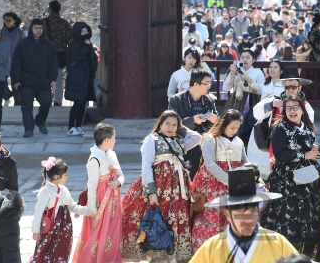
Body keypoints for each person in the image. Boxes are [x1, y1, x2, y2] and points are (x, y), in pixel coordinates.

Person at [121, 111, 203, 262]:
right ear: (160, 124)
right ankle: (156, 254)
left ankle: (173, 254)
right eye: (168, 124)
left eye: (174, 125)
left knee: (176, 217)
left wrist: (181, 128)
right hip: (160, 188)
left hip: (178, 188)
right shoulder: (151, 140)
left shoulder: (179, 141)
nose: (171, 128)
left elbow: (197, 138)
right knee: (159, 218)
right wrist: (151, 193)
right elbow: (146, 167)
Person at [261, 95, 320, 261]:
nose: (292, 111)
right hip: (287, 180)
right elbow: (279, 154)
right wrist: (304, 155)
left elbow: (311, 154)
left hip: (309, 180)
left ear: (302, 109)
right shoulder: (279, 128)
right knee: (288, 217)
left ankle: (307, 257)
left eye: (295, 107)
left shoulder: (306, 127)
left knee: (309, 219)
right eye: (288, 108)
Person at [190, 167, 298, 262]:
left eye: (252, 212)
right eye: (240, 214)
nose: (248, 220)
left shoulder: (278, 243)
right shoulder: (211, 248)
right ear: (228, 214)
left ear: (258, 208)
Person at [191, 109, 249, 250]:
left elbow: (244, 161)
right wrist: (228, 180)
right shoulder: (210, 139)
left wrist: (251, 172)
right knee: (213, 216)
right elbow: (210, 164)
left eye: (237, 128)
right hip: (213, 182)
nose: (235, 131)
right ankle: (207, 251)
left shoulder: (239, 141)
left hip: (235, 183)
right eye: (232, 127)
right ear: (223, 125)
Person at [73, 123, 125, 262]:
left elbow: (121, 174)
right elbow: (91, 185)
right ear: (107, 140)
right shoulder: (94, 159)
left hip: (114, 201)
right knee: (97, 234)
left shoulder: (112, 154)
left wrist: (119, 182)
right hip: (101, 201)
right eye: (114, 138)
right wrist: (92, 209)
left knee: (112, 232)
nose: (115, 141)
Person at [30, 158, 90, 262]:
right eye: (65, 174)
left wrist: (89, 211)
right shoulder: (46, 192)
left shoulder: (63, 190)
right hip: (50, 229)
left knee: (61, 253)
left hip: (64, 230)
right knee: (45, 252)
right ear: (57, 177)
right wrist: (35, 231)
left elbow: (73, 206)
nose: (67, 177)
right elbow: (38, 212)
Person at [10, 19, 58, 137]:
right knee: (26, 106)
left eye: (40, 28)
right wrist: (15, 80)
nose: (38, 30)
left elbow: (53, 63)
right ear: (31, 29)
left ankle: (40, 121)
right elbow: (16, 62)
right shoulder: (23, 44)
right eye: (36, 28)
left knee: (47, 102)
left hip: (43, 81)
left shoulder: (48, 45)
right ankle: (28, 128)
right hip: (26, 80)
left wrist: (50, 77)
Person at [168, 69, 218, 180]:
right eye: (207, 83)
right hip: (186, 144)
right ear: (196, 84)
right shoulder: (176, 100)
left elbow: (217, 123)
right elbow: (171, 125)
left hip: (205, 143)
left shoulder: (209, 100)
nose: (209, 86)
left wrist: (215, 121)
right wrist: (192, 120)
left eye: (210, 83)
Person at [224, 49, 265, 143]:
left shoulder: (257, 72)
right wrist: (232, 74)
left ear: (253, 60)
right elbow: (226, 88)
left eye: (248, 57)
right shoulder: (236, 70)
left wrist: (249, 80)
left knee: (250, 127)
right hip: (235, 101)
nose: (245, 60)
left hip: (252, 101)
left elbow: (261, 91)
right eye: (242, 57)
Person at [65, 22, 98, 136]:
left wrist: (93, 71)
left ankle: (78, 126)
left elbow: (93, 59)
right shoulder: (73, 45)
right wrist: (86, 47)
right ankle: (70, 127)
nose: (85, 34)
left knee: (84, 104)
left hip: (87, 78)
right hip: (77, 79)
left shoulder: (88, 45)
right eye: (83, 32)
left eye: (87, 32)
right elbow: (78, 56)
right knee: (77, 103)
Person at [43, 0, 73, 106]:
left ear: (50, 9)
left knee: (45, 78)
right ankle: (58, 101)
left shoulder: (43, 22)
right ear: (60, 10)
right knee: (60, 81)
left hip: (45, 55)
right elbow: (70, 39)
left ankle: (45, 99)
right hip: (61, 54)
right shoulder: (65, 23)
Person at [1, 12, 26, 106]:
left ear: (15, 21)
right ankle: (7, 95)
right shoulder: (1, 32)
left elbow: (25, 47)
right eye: (6, 20)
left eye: (9, 20)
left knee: (16, 83)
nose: (7, 22)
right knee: (1, 82)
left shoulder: (20, 32)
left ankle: (17, 102)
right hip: (4, 62)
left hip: (17, 62)